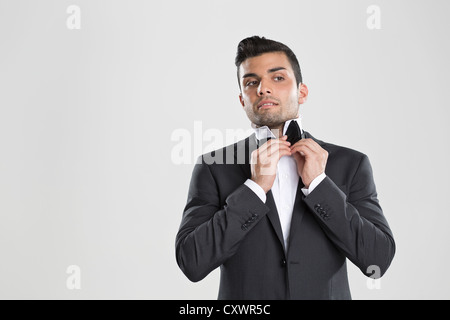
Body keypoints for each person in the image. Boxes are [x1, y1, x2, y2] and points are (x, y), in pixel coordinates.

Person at [175, 36, 395, 300]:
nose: (263, 89)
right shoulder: (213, 167)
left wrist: (319, 185)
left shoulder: (351, 164)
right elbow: (192, 262)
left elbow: (377, 261)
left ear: (302, 92)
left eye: (277, 78)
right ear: (242, 100)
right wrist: (254, 189)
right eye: (251, 82)